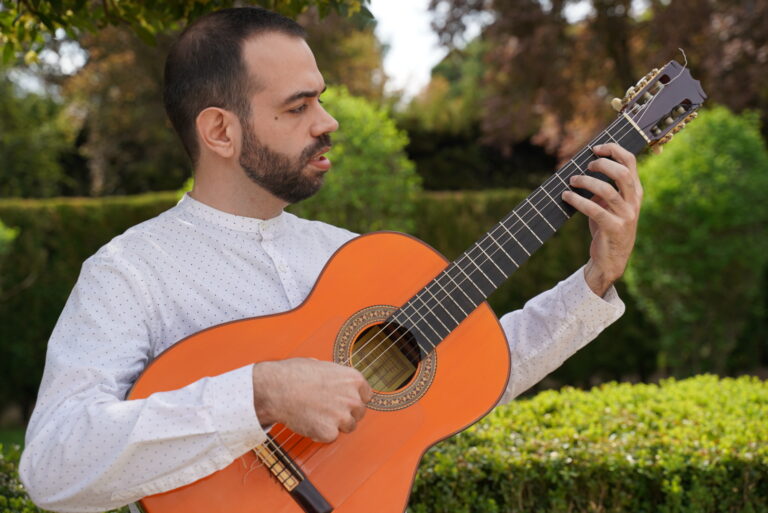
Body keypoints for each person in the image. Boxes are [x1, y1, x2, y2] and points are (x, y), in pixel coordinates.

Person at [19, 6, 642, 513]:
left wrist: (595, 280)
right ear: (220, 132)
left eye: (320, 99)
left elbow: (475, 371)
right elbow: (53, 466)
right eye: (297, 107)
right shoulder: (129, 273)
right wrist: (258, 394)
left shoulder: (345, 254)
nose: (329, 121)